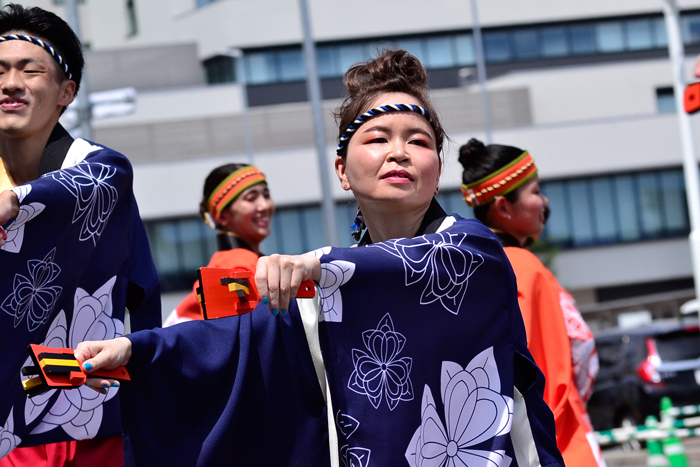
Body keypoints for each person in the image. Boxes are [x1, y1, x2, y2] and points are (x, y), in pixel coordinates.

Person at [76, 49, 564, 466]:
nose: (400, 152)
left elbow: (422, 265)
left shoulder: (472, 248)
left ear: (438, 170)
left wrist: (316, 265)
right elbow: (238, 343)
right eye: (378, 139)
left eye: (419, 141)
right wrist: (139, 351)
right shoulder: (329, 288)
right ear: (342, 170)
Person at [0, 4, 161, 466]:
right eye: (0, 70)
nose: (11, 83)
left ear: (65, 92)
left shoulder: (97, 169)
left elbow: (142, 294)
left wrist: (16, 201)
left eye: (30, 70)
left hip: (87, 414)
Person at [458, 138, 605, 467]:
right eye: (536, 192)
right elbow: (582, 348)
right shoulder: (527, 269)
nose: (544, 202)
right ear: (504, 207)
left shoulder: (470, 270)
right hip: (558, 440)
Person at [163, 163, 275, 326]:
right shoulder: (238, 265)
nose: (264, 205)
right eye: (251, 198)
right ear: (222, 217)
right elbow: (239, 340)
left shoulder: (227, 262)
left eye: (266, 195)